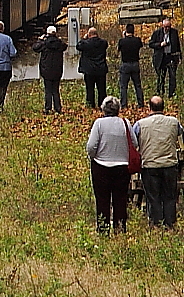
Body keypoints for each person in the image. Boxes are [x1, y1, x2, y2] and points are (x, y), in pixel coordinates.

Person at [86, 96, 135, 233]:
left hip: (101, 166)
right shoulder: (125, 123)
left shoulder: (99, 124)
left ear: (103, 109)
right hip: (122, 167)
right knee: (120, 199)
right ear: (118, 109)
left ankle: (103, 228)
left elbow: (91, 146)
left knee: (102, 199)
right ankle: (120, 227)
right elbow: (135, 143)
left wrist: (94, 156)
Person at [134, 96, 184, 227]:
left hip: (149, 165)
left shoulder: (140, 124)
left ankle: (156, 224)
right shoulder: (174, 122)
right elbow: (180, 133)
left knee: (153, 197)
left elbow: (134, 141)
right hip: (169, 165)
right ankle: (170, 224)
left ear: (149, 108)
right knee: (169, 197)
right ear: (163, 107)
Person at [32, 25, 68, 114]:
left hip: (46, 70)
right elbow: (65, 46)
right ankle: (58, 108)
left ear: (47, 34)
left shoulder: (44, 44)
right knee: (55, 90)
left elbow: (35, 47)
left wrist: (40, 40)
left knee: (48, 90)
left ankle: (48, 108)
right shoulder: (59, 44)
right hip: (57, 71)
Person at [77, 27, 110, 108]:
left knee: (90, 89)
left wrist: (83, 38)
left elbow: (78, 46)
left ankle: (90, 105)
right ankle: (102, 105)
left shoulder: (86, 43)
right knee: (102, 89)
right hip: (101, 69)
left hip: (89, 70)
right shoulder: (103, 43)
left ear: (89, 34)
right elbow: (106, 45)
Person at [150, 18, 181, 97]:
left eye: (168, 27)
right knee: (161, 76)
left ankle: (171, 94)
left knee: (172, 76)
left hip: (171, 57)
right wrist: (160, 44)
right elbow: (151, 44)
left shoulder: (174, 32)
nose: (167, 28)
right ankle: (160, 92)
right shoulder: (157, 33)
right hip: (161, 57)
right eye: (165, 27)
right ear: (162, 26)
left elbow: (177, 45)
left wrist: (179, 56)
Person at [117, 23, 145, 109]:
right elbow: (141, 45)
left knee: (124, 86)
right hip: (135, 64)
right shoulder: (137, 40)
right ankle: (140, 104)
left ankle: (124, 104)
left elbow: (118, 49)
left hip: (125, 64)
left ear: (126, 31)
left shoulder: (122, 41)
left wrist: (124, 36)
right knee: (137, 85)